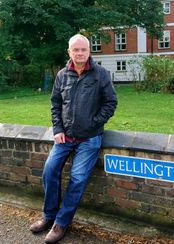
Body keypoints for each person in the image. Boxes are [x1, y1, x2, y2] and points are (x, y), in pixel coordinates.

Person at [29, 34, 118, 243]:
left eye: (83, 50)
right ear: (69, 52)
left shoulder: (100, 74)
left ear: (89, 52)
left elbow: (111, 103)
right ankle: (49, 216)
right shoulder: (62, 75)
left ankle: (62, 222)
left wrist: (94, 122)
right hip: (65, 137)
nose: (80, 53)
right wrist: (57, 129)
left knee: (77, 179)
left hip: (89, 138)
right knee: (50, 171)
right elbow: (56, 104)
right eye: (75, 50)